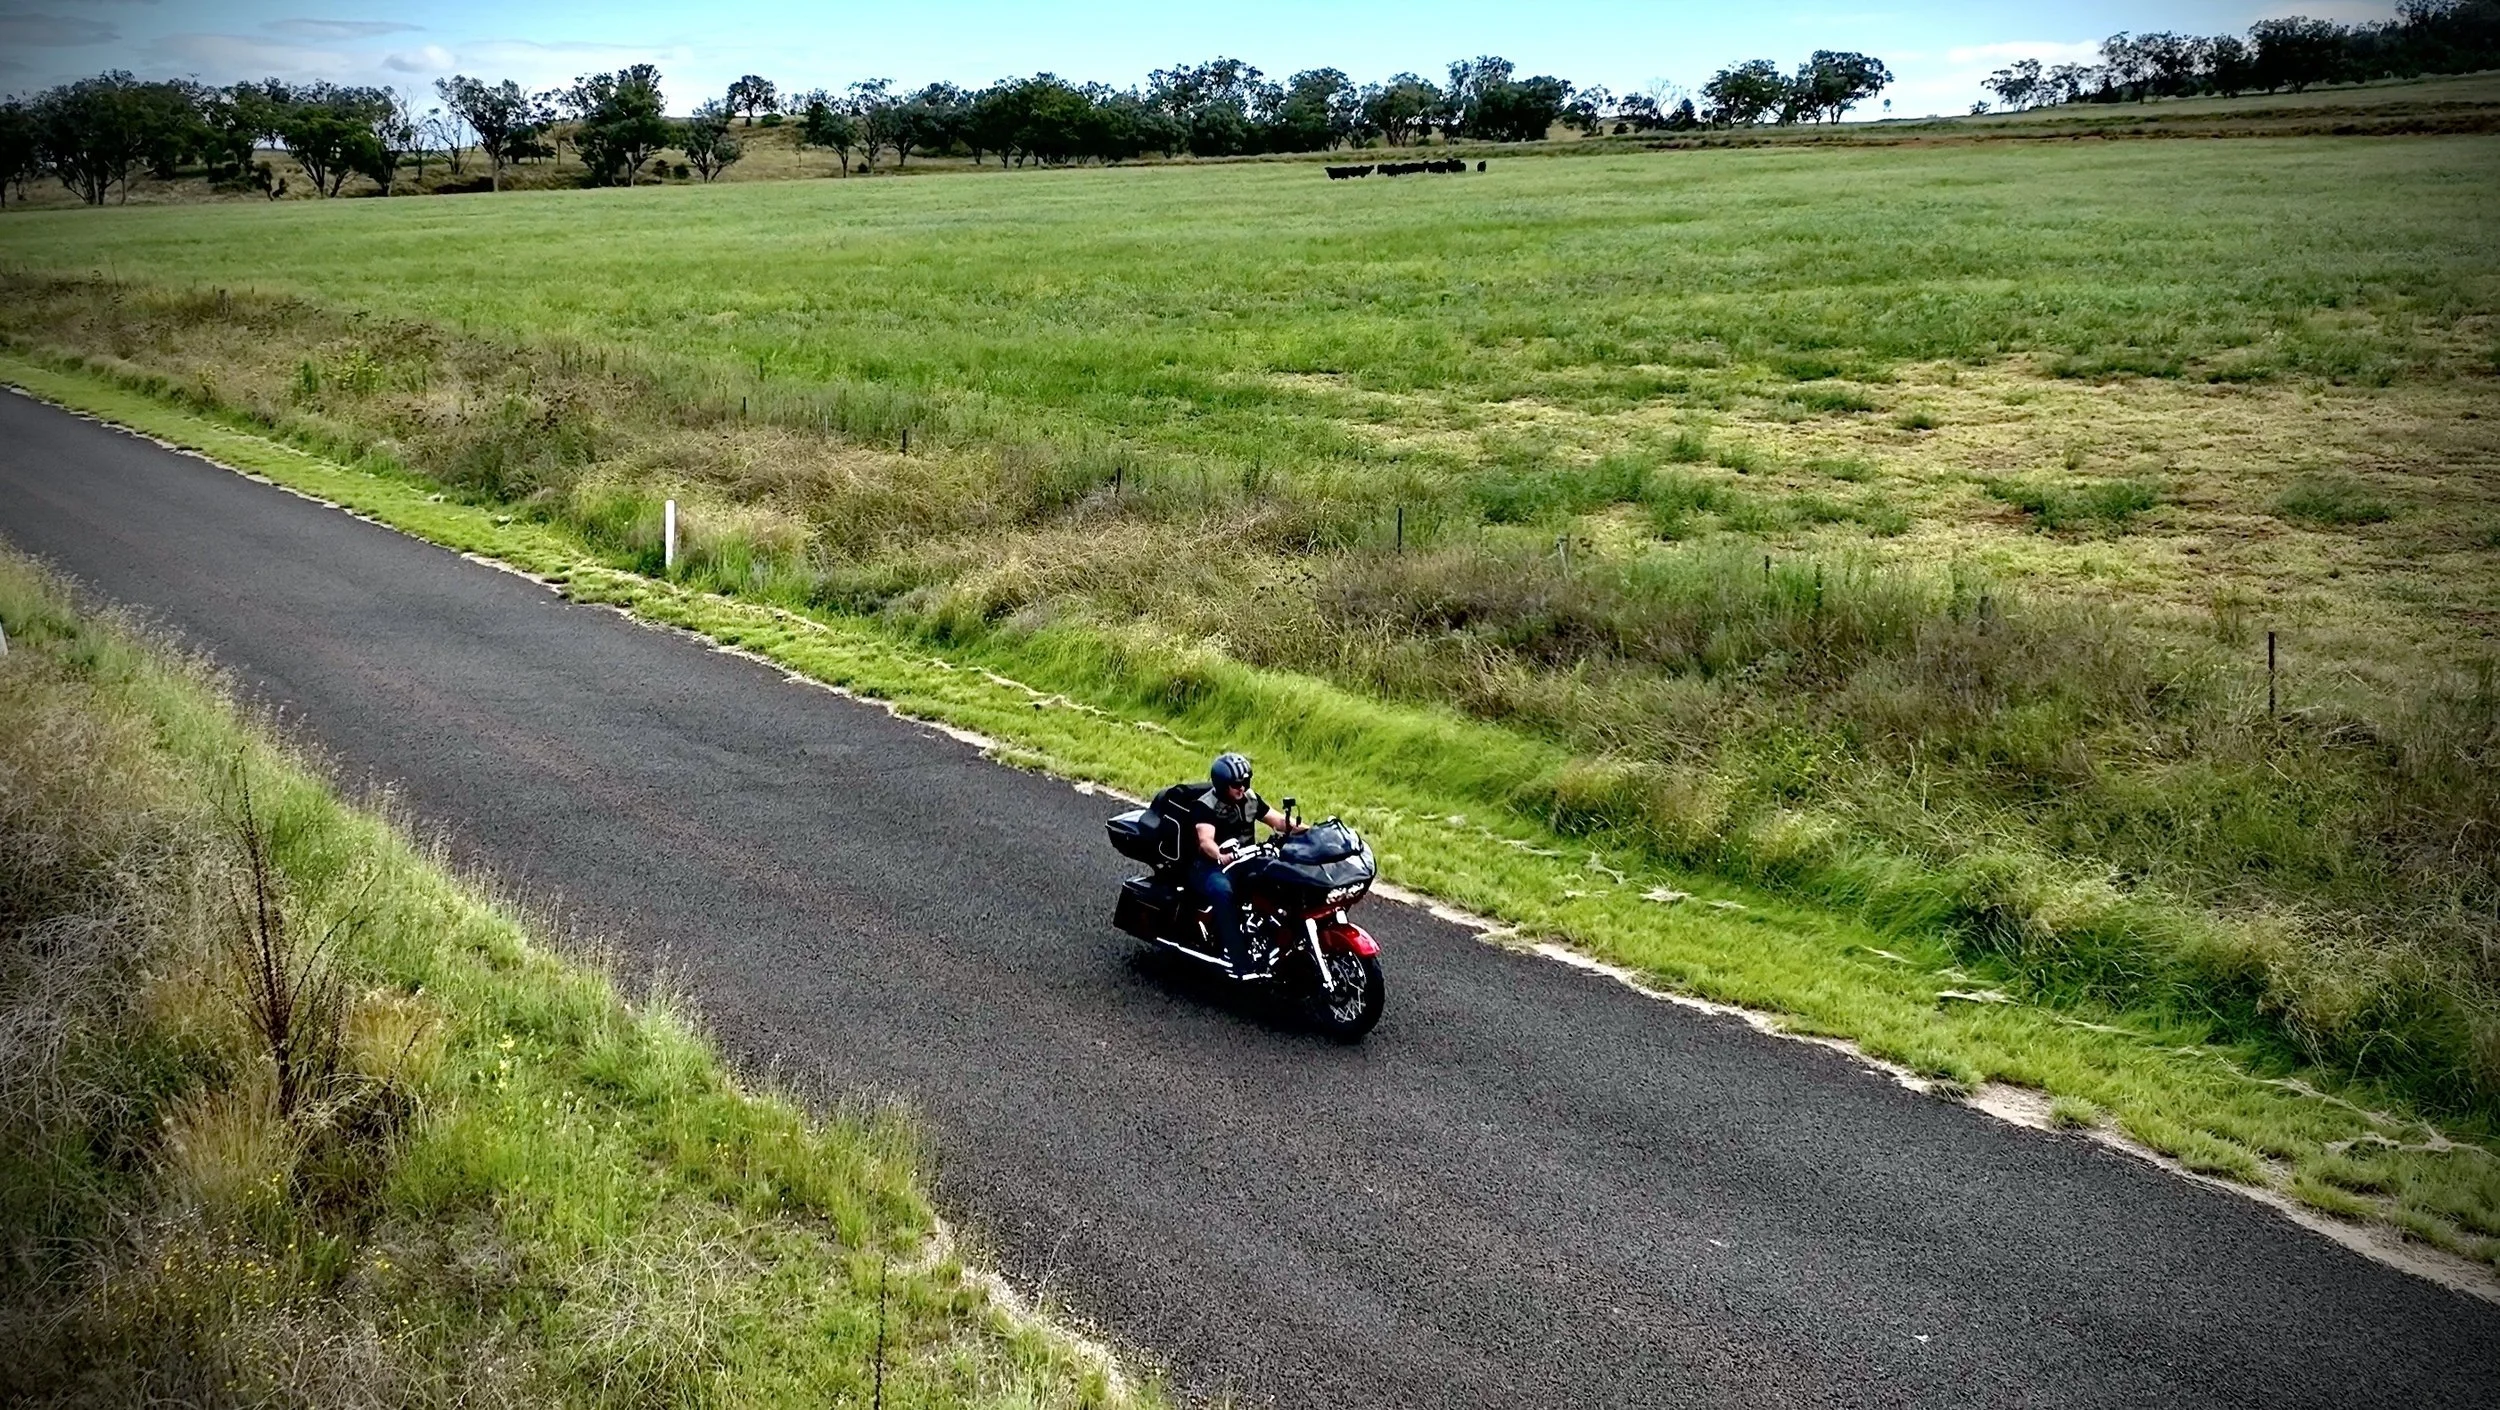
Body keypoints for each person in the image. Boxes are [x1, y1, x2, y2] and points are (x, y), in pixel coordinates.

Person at [1181, 752, 1300, 976]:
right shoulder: (1206, 806)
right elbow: (1206, 840)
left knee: (1281, 876)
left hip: (1245, 860)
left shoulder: (1250, 800)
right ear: (1222, 784)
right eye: (1236, 784)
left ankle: (1281, 939)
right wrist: (1219, 855)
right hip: (1211, 867)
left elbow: (1278, 822)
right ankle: (1238, 958)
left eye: (1245, 782)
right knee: (1222, 891)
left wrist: (1312, 832)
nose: (1242, 788)